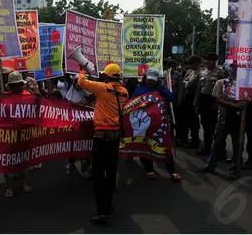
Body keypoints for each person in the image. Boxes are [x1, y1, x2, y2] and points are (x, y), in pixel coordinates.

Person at [77, 63, 128, 224]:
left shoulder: (102, 88)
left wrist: (82, 69)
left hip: (101, 136)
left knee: (98, 175)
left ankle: (102, 211)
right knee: (111, 172)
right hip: (115, 136)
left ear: (106, 76)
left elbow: (81, 82)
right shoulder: (124, 92)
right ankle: (109, 205)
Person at [133, 68, 181, 182]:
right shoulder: (140, 89)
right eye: (149, 79)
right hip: (144, 122)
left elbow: (171, 98)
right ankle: (149, 170)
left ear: (157, 80)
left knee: (165, 145)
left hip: (159, 123)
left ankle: (172, 171)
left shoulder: (161, 89)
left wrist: (162, 91)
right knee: (145, 146)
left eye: (153, 80)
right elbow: (133, 101)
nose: (150, 82)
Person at [197, 64, 245, 179]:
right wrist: (234, 104)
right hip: (223, 117)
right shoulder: (221, 83)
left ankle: (235, 170)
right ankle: (210, 165)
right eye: (231, 69)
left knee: (237, 146)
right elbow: (218, 99)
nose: (233, 72)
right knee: (216, 143)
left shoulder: (244, 84)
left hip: (239, 119)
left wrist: (244, 103)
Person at [3, 71, 32, 197]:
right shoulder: (4, 97)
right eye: (14, 84)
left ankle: (23, 183)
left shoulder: (28, 96)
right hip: (8, 136)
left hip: (24, 135)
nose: (17, 87)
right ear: (10, 86)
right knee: (9, 162)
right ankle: (9, 187)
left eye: (19, 84)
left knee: (23, 161)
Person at [194, 53, 225, 155]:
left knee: (216, 127)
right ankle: (207, 147)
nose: (207, 62)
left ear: (214, 61)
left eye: (209, 60)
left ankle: (220, 150)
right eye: (206, 60)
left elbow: (224, 90)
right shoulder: (203, 72)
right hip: (204, 101)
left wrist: (220, 103)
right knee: (205, 126)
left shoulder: (220, 72)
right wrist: (196, 104)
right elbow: (199, 89)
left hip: (214, 101)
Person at [180, 56, 202, 148]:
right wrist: (186, 82)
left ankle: (195, 140)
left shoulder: (200, 73)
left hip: (194, 98)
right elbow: (183, 82)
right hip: (187, 97)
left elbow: (188, 84)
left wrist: (186, 82)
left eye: (191, 64)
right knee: (186, 119)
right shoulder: (191, 72)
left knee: (194, 121)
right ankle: (188, 138)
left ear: (196, 63)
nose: (189, 66)